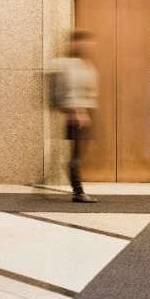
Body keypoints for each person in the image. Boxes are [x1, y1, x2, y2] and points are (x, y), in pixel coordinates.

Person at [52, 30, 99, 203]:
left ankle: (77, 188)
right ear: (76, 43)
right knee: (76, 155)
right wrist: (78, 112)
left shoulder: (85, 64)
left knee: (79, 153)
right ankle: (78, 192)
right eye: (85, 42)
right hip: (78, 114)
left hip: (87, 112)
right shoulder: (70, 65)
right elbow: (72, 91)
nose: (90, 46)